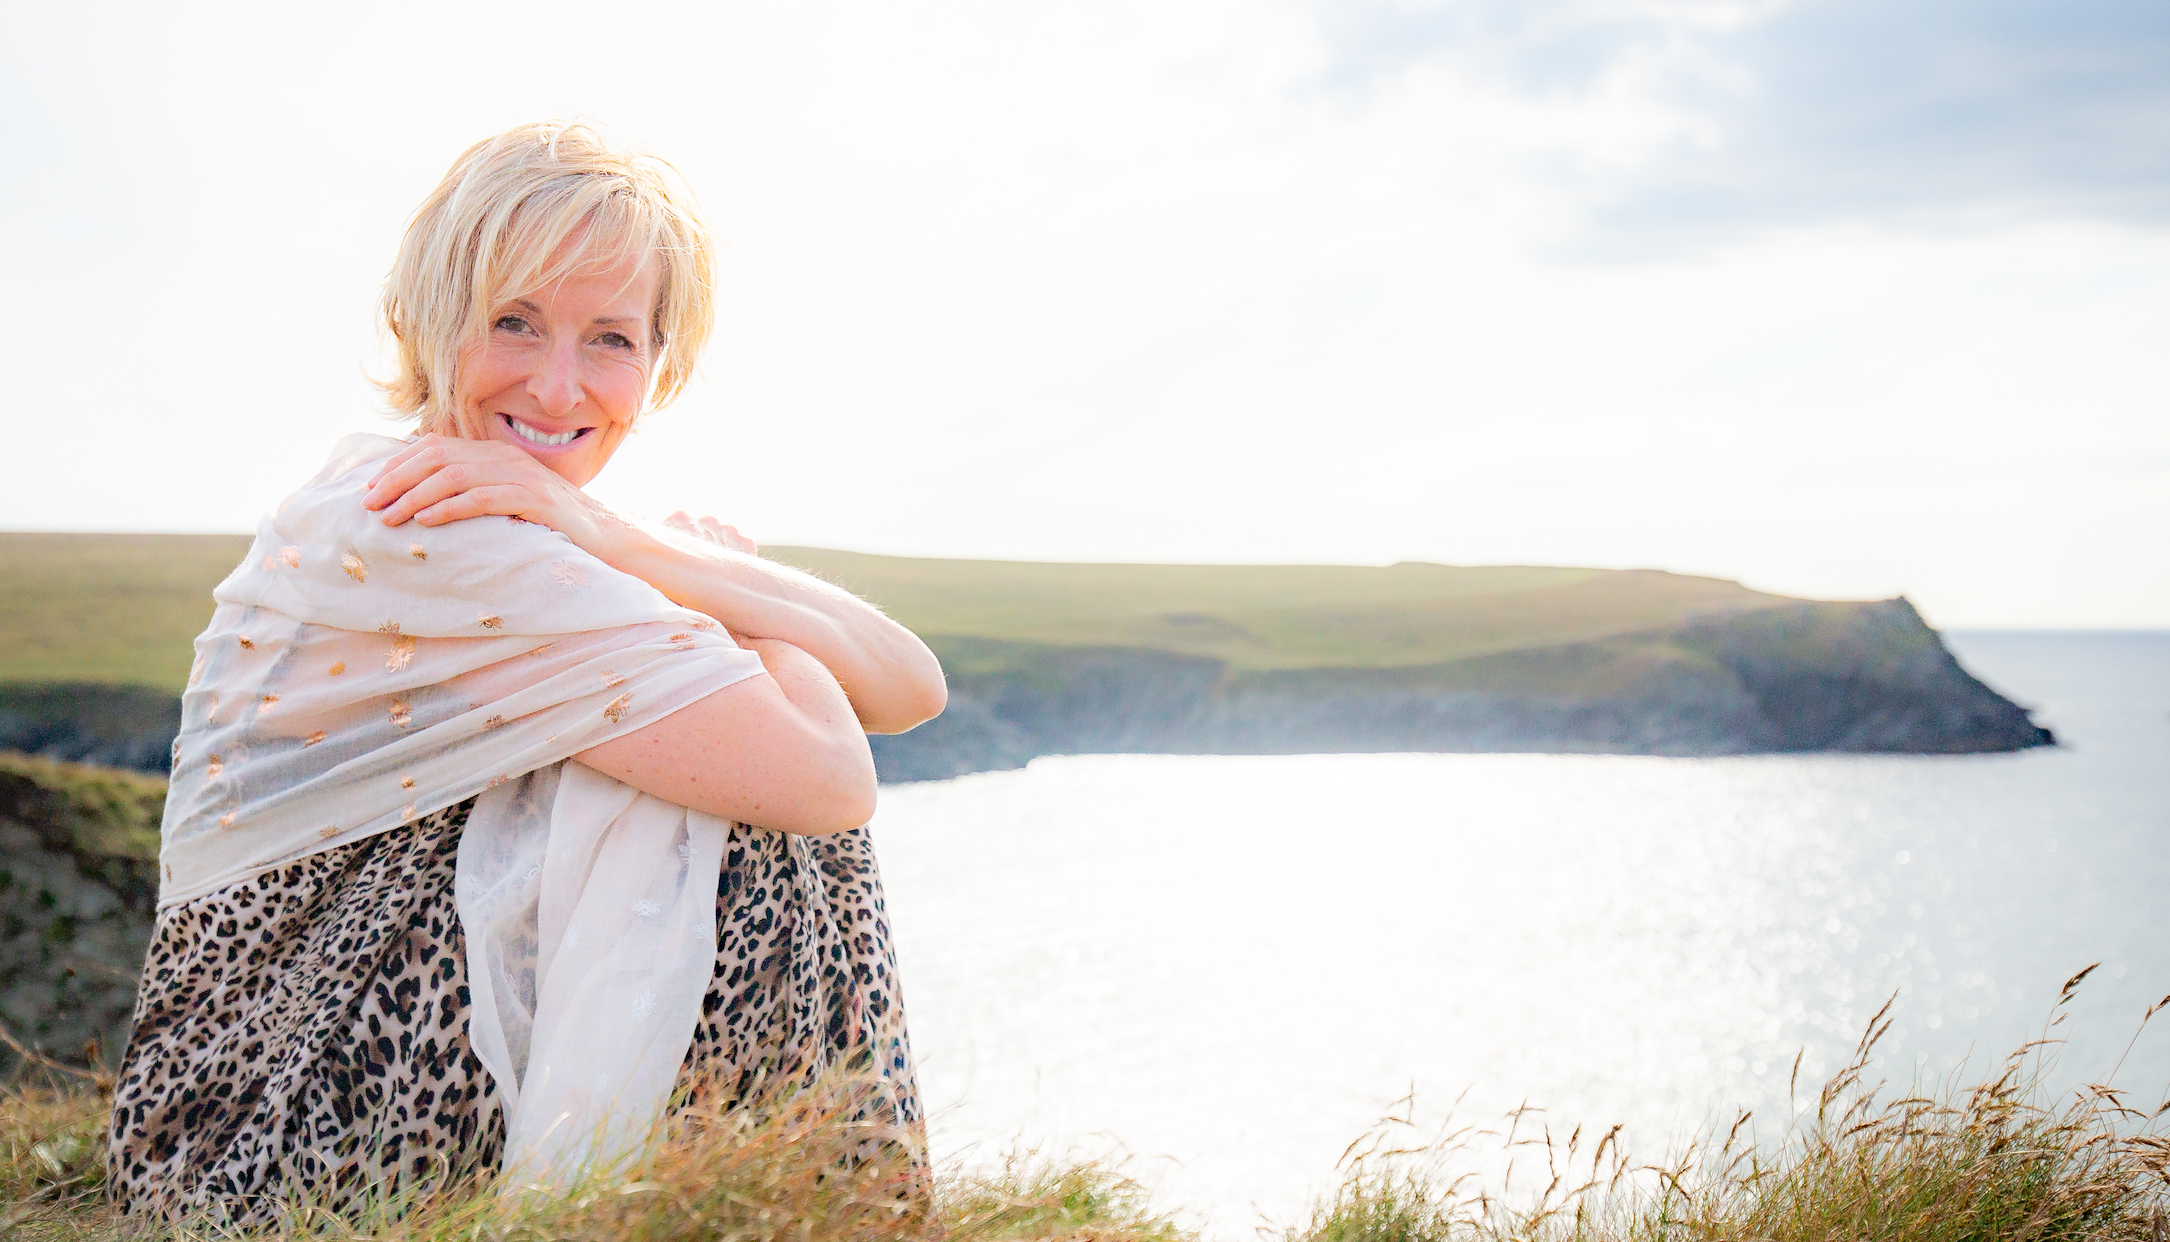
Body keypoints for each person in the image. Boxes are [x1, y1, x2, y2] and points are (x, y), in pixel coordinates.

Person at [104, 120, 947, 1220]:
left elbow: (913, 687)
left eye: (611, 339)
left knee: (701, 737)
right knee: (756, 818)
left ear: (658, 361)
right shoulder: (428, 527)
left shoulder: (497, 516)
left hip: (247, 1118)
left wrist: (639, 550)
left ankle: (769, 1199)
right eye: (514, 322)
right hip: (270, 1140)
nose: (558, 389)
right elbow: (832, 777)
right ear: (429, 324)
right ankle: (819, 1205)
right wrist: (712, 589)